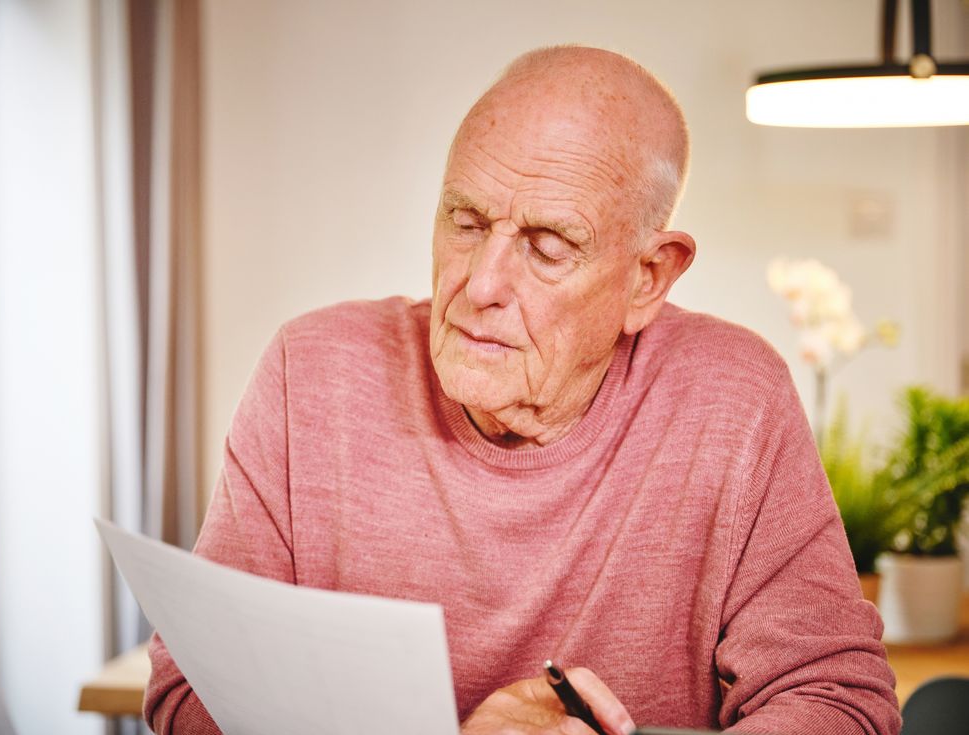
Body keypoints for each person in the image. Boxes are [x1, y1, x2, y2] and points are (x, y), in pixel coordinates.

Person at [144, 46, 901, 735]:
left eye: (546, 248)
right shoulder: (307, 373)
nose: (479, 285)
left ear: (648, 278)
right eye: (465, 222)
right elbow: (189, 697)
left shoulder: (734, 398)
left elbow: (840, 700)